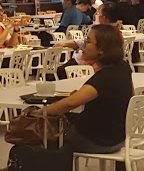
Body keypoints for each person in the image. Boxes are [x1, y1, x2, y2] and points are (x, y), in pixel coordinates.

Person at [42, 23, 133, 154]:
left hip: (97, 140)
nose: (83, 45)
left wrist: (42, 112)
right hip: (118, 137)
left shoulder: (105, 77)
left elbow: (70, 103)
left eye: (88, 41)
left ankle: (23, 168)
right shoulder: (123, 68)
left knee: (41, 129)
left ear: (101, 49)